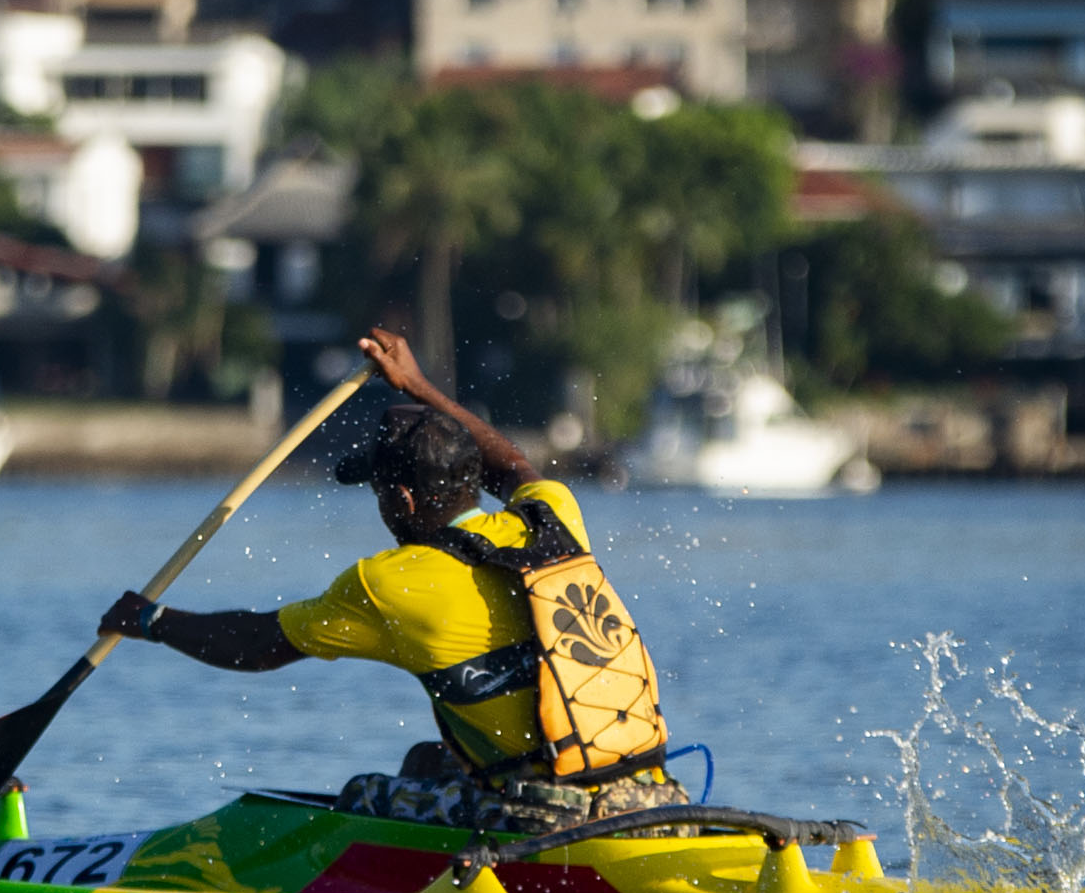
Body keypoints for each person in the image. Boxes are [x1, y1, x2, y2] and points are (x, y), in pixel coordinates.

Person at [98, 328, 691, 836]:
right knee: (429, 761)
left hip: (547, 822)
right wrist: (420, 388)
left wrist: (150, 621)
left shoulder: (389, 583)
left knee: (362, 796)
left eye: (381, 494)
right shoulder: (551, 517)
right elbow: (514, 466)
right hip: (658, 800)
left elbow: (258, 646)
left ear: (402, 498)